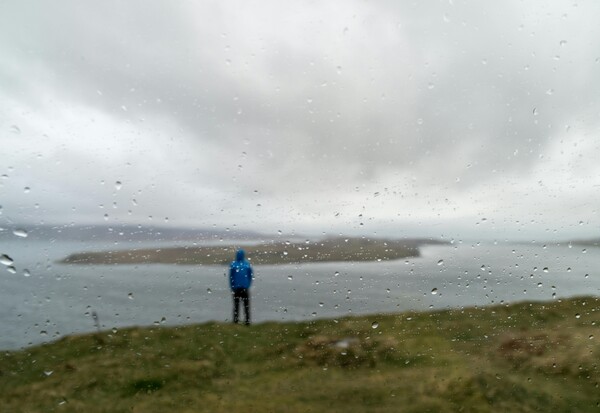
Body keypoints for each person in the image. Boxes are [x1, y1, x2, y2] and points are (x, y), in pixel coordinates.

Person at [229, 249, 253, 325]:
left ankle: (235, 321)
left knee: (236, 306)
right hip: (245, 288)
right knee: (246, 306)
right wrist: (248, 285)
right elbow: (250, 276)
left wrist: (232, 287)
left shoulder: (233, 264)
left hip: (236, 288)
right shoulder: (247, 264)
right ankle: (247, 321)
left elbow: (231, 277)